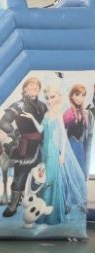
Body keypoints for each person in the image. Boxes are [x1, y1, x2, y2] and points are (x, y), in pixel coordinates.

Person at [38, 82, 88, 225]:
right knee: (46, 180)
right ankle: (44, 212)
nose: (49, 100)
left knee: (53, 180)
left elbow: (63, 136)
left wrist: (62, 153)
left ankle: (53, 214)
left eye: (52, 97)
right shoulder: (49, 114)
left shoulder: (61, 114)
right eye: (47, 97)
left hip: (55, 150)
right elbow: (42, 132)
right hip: (45, 150)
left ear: (58, 97)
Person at [0, 76, 48, 217]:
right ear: (25, 88)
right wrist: (16, 135)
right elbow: (3, 123)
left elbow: (48, 124)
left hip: (43, 144)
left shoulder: (43, 106)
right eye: (31, 85)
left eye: (37, 86)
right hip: (25, 146)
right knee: (20, 176)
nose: (34, 87)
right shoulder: (17, 106)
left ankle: (45, 204)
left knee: (47, 174)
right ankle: (13, 206)